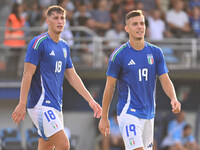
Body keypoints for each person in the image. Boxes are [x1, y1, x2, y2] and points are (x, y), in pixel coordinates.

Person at [12, 5, 102, 150]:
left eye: (62, 18)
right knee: (63, 144)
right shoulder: (38, 43)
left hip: (55, 105)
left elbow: (72, 76)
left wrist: (90, 100)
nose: (60, 21)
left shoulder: (64, 47)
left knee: (47, 147)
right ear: (48, 21)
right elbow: (27, 74)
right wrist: (22, 104)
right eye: (55, 18)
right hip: (40, 104)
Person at [98, 10, 181, 150]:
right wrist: (104, 117)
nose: (139, 27)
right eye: (135, 24)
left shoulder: (156, 52)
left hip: (149, 114)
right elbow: (109, 87)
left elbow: (165, 79)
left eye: (142, 23)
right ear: (127, 28)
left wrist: (173, 98)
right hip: (129, 113)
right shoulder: (119, 55)